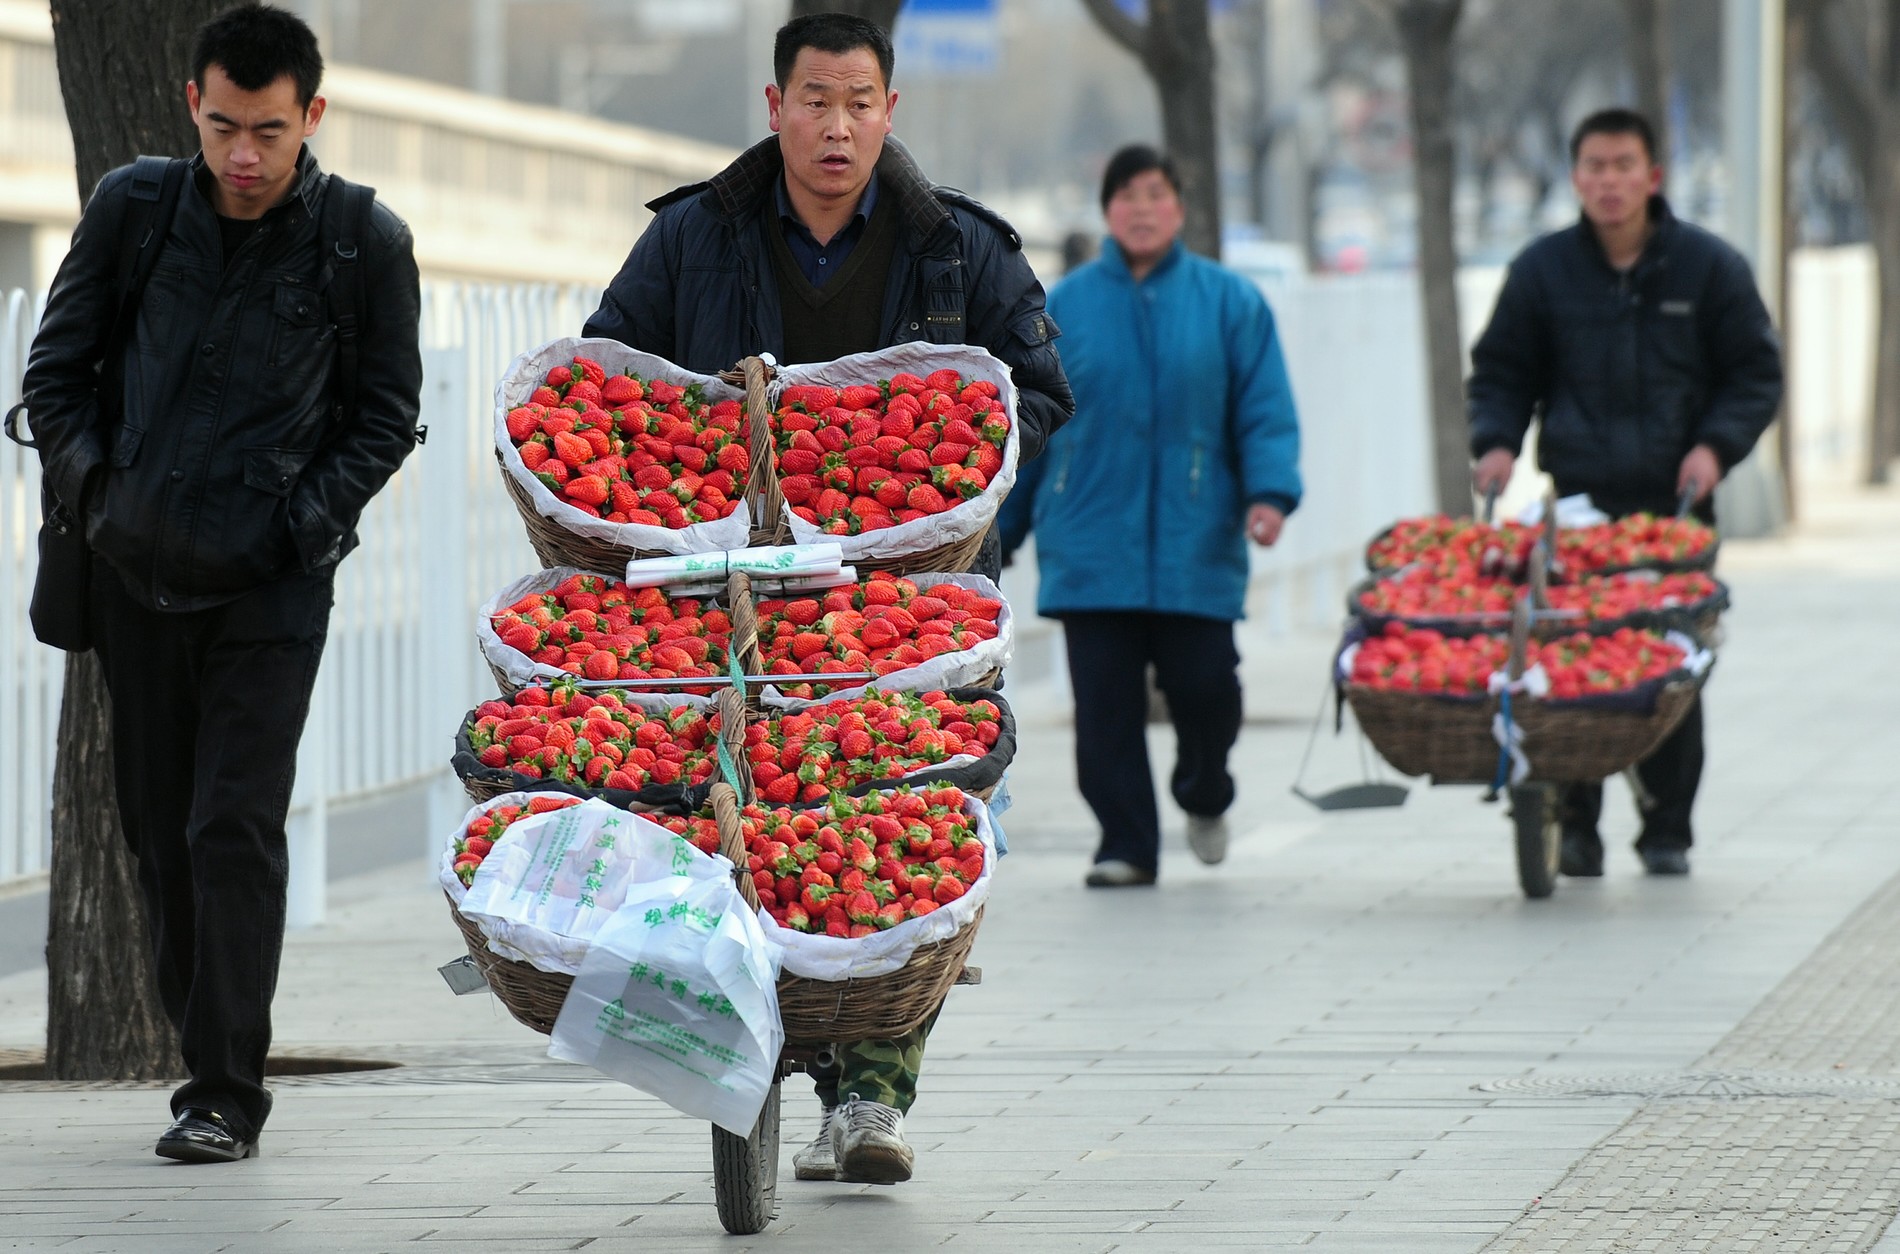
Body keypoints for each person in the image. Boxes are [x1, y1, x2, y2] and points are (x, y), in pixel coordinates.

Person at [584, 12, 1071, 1186]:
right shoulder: (692, 239)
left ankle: (871, 1087)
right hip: (731, 606)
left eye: (859, 101)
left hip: (916, 610)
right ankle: (762, 1046)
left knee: (915, 823)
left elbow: (1038, 395)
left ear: (889, 111)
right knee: (742, 820)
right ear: (774, 106)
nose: (836, 124)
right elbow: (609, 379)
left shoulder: (960, 251)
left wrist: (954, 512)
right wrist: (678, 477)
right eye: (815, 99)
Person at [22, 4, 421, 1161]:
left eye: (269, 130)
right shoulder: (133, 209)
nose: (244, 156)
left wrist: (300, 524)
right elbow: (57, 375)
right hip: (135, 574)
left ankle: (221, 1093)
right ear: (191, 105)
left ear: (313, 118)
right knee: (156, 837)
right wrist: (102, 497)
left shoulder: (361, 241)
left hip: (271, 588)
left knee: (232, 826)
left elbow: (383, 419)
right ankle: (208, 1049)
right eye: (223, 125)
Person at [1468, 107, 1782, 878]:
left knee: (1669, 666)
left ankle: (1667, 825)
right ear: (1576, 178)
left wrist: (1714, 448)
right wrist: (1497, 445)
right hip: (1577, 512)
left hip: (1674, 515)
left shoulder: (1709, 269)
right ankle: (1574, 824)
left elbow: (1754, 373)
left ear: (1653, 175)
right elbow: (1503, 372)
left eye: (1623, 165)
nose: (1609, 182)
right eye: (1595, 167)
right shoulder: (1543, 272)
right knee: (1569, 667)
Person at [996, 144, 1302, 890]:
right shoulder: (1062, 308)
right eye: (1127, 195)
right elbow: (1033, 425)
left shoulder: (1231, 303)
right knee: (1104, 709)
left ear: (1180, 209)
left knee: (1207, 690)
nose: (1141, 208)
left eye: (1156, 193)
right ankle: (1125, 842)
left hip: (1197, 541)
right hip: (1091, 541)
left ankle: (1205, 790)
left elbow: (1263, 412)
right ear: (1107, 212)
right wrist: (1002, 533)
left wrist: (1268, 494)